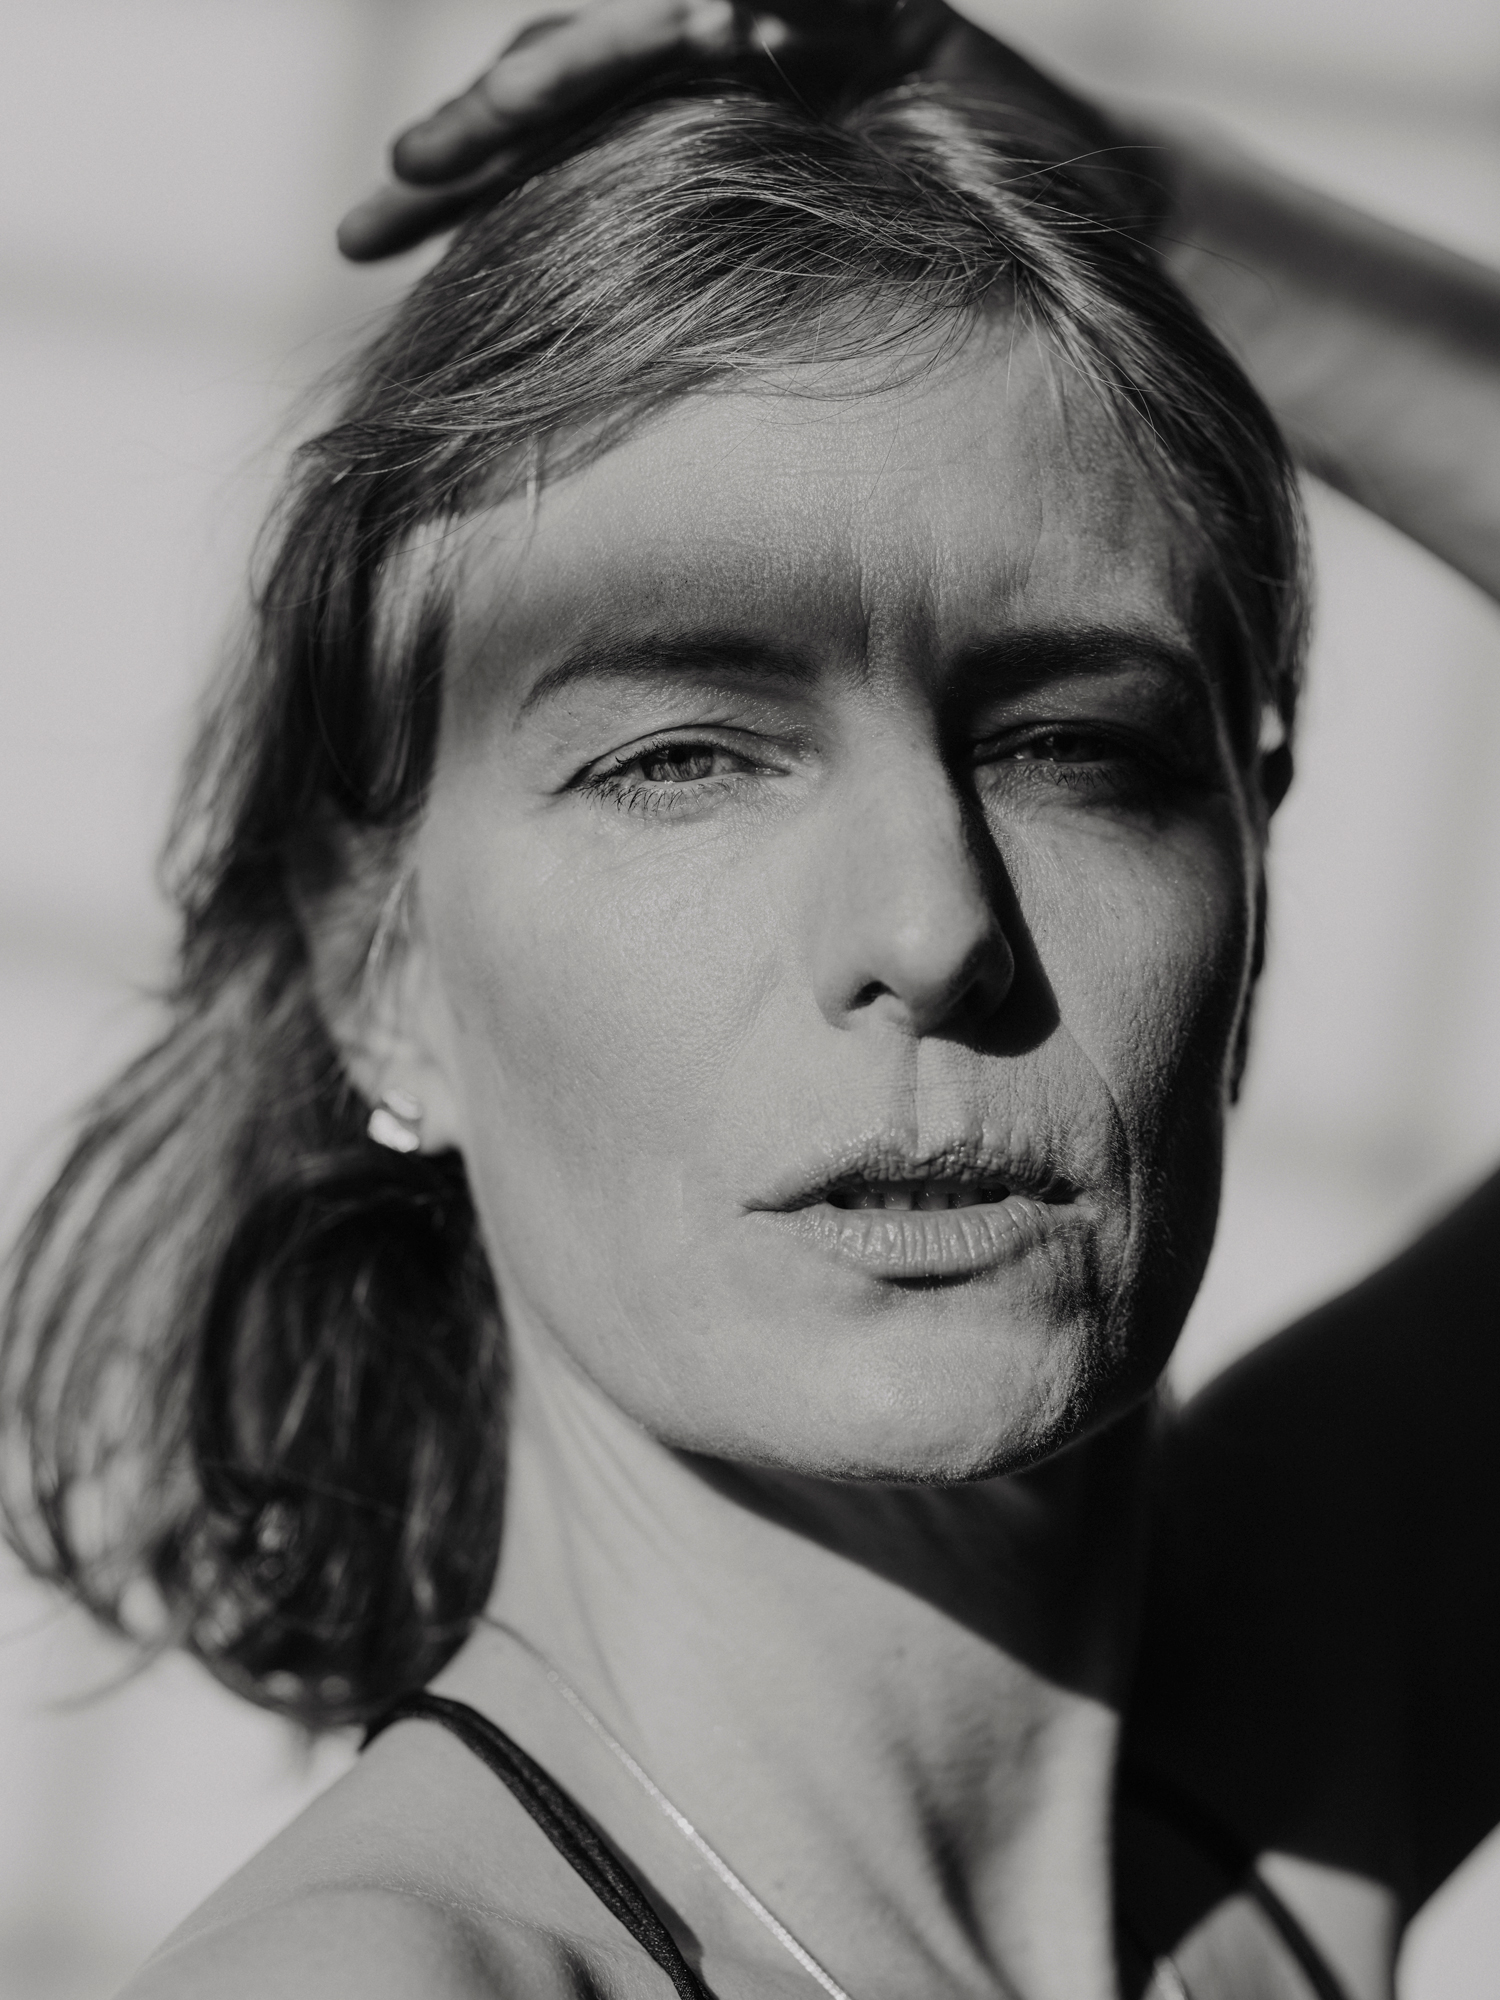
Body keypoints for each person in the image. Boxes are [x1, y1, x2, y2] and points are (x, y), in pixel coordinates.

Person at [2, 4, 1497, 1995]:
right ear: (384, 978)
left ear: (1254, 874)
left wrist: (1119, 210)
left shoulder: (1270, 1793)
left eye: (1075, 746)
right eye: (682, 758)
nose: (934, 926)